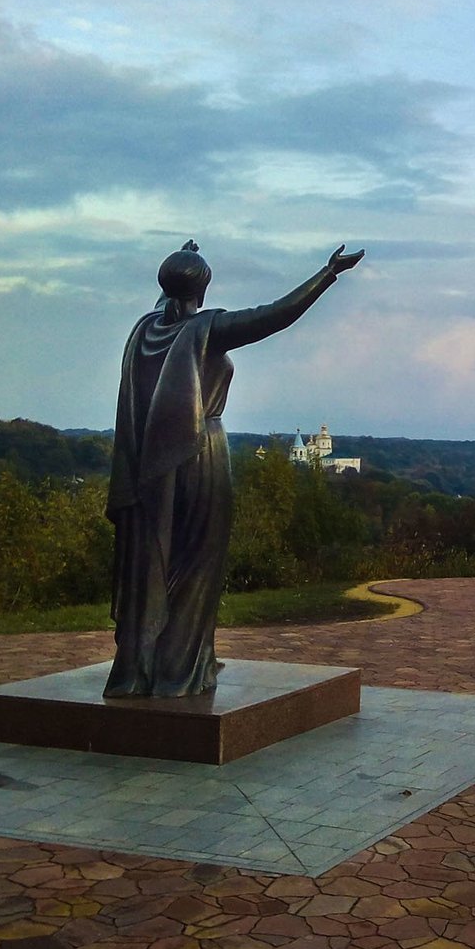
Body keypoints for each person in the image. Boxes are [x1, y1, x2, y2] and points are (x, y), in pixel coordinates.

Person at [104, 240, 364, 697]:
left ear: (165, 288)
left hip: (149, 461)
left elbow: (169, 301)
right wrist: (328, 274)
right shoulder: (207, 329)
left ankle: (139, 670)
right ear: (201, 291)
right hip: (199, 452)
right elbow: (274, 315)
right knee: (197, 563)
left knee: (153, 561)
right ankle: (177, 672)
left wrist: (181, 263)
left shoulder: (144, 331)